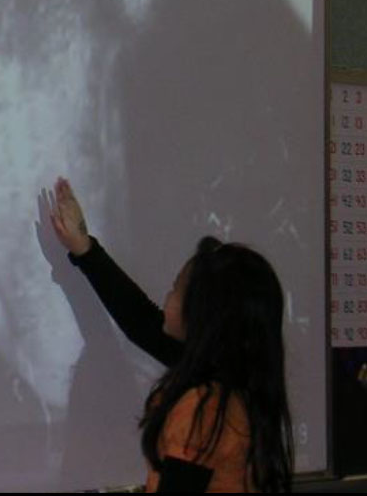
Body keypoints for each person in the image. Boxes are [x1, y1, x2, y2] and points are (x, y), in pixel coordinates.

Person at [49, 177, 294, 492]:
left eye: (177, 288)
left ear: (201, 313)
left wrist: (87, 252)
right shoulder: (236, 385)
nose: (167, 296)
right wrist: (85, 250)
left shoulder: (203, 408)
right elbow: (142, 321)